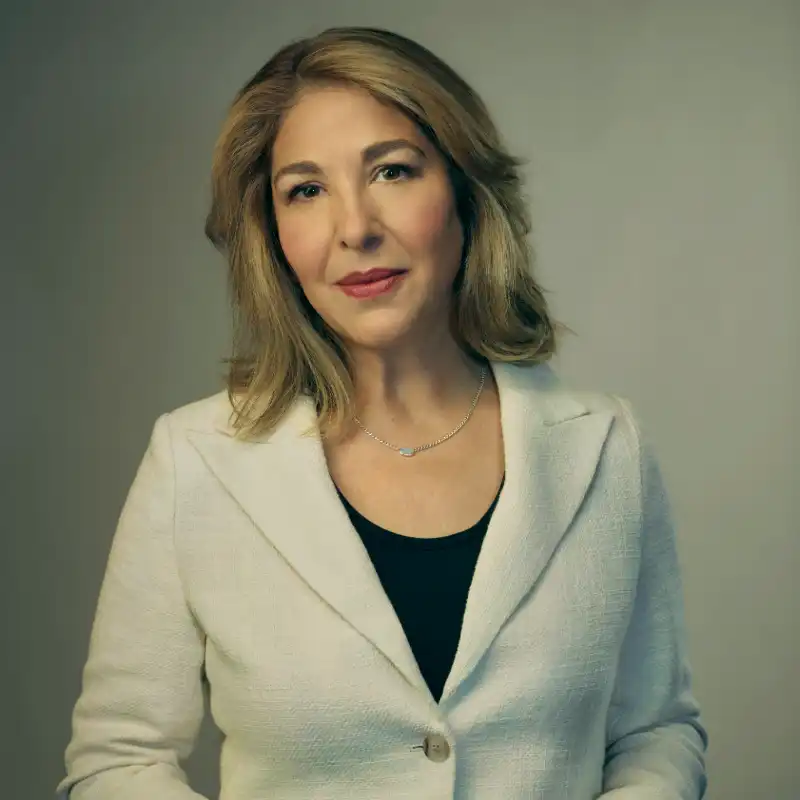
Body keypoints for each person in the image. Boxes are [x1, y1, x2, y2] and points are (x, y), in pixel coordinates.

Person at [56, 26, 708, 800]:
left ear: (464, 196)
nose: (355, 228)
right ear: (275, 236)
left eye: (392, 171)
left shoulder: (605, 449)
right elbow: (116, 760)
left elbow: (656, 732)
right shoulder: (196, 461)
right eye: (305, 189)